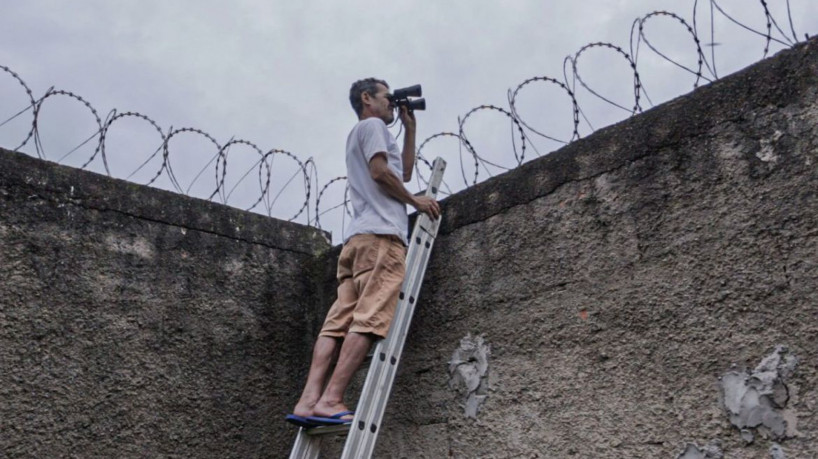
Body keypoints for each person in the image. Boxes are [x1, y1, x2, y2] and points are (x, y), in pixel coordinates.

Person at [286, 78, 440, 427]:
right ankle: (331, 398)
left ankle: (308, 401)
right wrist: (415, 201)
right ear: (367, 98)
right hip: (381, 239)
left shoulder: (362, 133)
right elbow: (380, 172)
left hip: (356, 242)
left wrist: (410, 130)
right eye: (387, 96)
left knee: (336, 323)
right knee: (370, 319)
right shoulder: (371, 125)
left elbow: (404, 172)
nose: (391, 103)